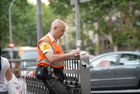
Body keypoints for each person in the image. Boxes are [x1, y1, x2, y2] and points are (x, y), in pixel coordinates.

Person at [37, 19, 80, 94]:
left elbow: (60, 56)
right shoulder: (44, 41)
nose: (63, 33)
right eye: (62, 31)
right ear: (54, 28)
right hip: (49, 75)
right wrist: (70, 54)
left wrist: (72, 55)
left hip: (57, 74)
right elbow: (51, 58)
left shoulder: (56, 41)